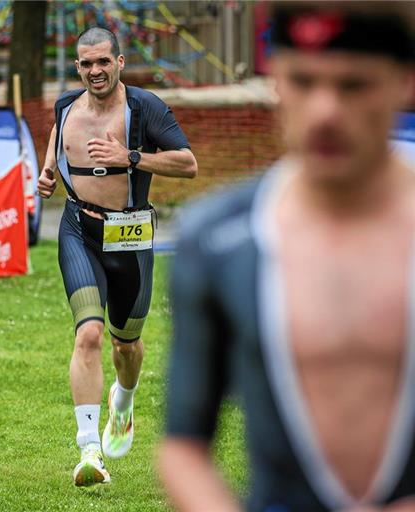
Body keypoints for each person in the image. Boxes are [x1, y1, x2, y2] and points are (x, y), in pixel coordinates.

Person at [157, 2, 415, 510]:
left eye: (354, 85)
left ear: (404, 83)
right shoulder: (216, 238)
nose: (326, 112)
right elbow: (184, 445)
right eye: (302, 81)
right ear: (276, 81)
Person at [37, 27, 198, 486]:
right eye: (86, 64)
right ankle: (89, 451)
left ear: (120, 62)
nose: (95, 71)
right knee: (87, 333)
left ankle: (123, 402)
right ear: (77, 67)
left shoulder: (144, 108)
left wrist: (131, 156)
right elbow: (56, 132)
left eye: (103, 62)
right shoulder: (66, 104)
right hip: (78, 230)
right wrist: (50, 171)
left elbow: (188, 163)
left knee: (126, 345)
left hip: (129, 235)